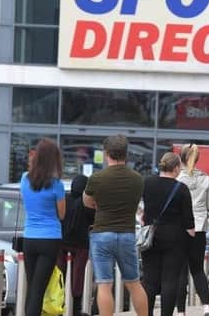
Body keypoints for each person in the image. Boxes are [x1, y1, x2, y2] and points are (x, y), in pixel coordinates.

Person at [83, 135, 148, 316]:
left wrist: (99, 204)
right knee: (134, 283)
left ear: (106, 154)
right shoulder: (137, 179)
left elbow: (87, 202)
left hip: (102, 233)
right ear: (126, 154)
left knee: (104, 284)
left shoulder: (97, 178)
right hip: (127, 234)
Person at [142, 152, 195, 316]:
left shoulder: (147, 183)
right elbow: (189, 223)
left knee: (149, 281)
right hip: (174, 239)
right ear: (176, 168)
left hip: (151, 237)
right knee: (170, 280)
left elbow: (140, 208)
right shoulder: (181, 189)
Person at [20, 138, 66, 316]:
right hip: (49, 239)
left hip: (29, 238)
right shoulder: (56, 185)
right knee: (39, 290)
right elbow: (61, 214)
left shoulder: (24, 179)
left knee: (32, 287)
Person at [175, 145, 209, 316]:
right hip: (199, 228)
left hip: (180, 228)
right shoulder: (206, 179)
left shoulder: (177, 179)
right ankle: (207, 306)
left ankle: (181, 311)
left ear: (181, 158)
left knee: (181, 271)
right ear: (197, 159)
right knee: (198, 269)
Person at [58, 174, 95, 316]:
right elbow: (93, 220)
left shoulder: (64, 199)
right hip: (81, 245)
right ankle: (76, 310)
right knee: (77, 278)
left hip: (61, 242)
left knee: (60, 276)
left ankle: (58, 306)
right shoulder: (86, 204)